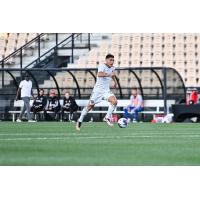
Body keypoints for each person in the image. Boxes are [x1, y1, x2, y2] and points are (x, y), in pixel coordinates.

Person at [76, 53, 118, 131]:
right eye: (110, 60)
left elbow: (113, 75)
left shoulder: (113, 68)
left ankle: (107, 117)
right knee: (90, 107)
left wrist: (115, 82)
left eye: (113, 60)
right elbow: (99, 74)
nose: (112, 61)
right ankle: (80, 120)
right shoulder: (102, 66)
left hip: (106, 91)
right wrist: (109, 74)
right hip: (97, 91)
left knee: (114, 102)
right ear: (106, 60)